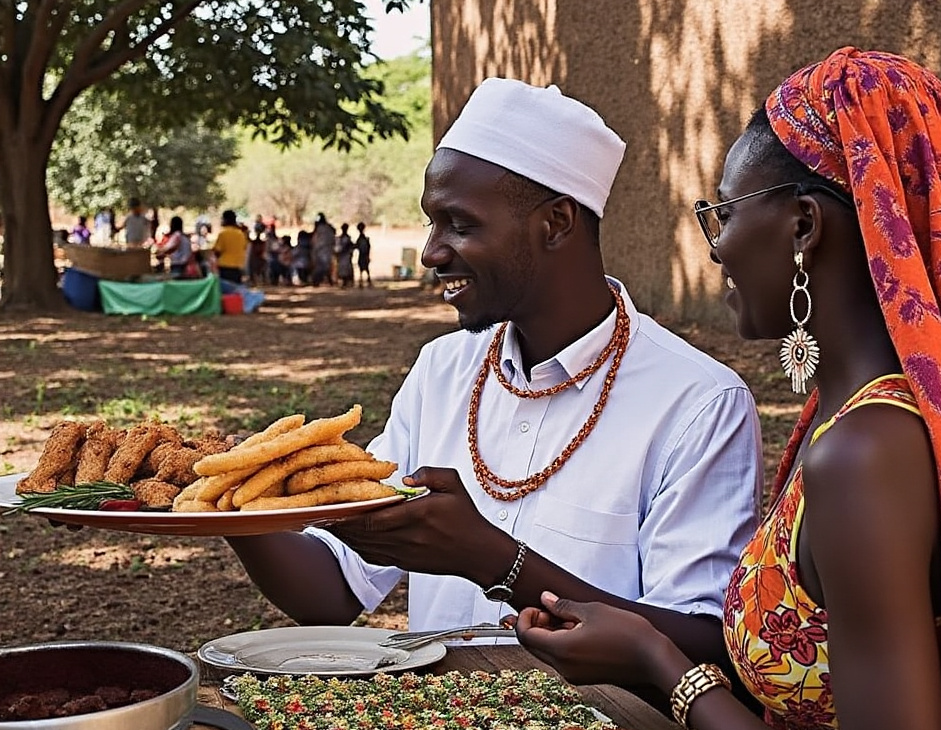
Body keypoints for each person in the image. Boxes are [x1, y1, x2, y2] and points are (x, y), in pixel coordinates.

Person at [512, 48, 941, 730]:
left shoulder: (864, 454)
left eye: (722, 213)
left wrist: (667, 669)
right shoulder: (857, 417)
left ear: (804, 228)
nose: (717, 249)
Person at [227, 78, 763, 679]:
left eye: (459, 224)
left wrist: (493, 560)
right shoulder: (441, 371)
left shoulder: (696, 403)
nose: (431, 252)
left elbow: (707, 643)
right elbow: (332, 591)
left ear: (556, 222)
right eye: (432, 224)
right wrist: (226, 505)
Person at [212, 209, 248, 284]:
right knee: (235, 291)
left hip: (225, 267)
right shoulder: (240, 234)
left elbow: (217, 251)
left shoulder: (223, 233)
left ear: (225, 219)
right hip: (238, 267)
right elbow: (244, 247)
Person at [311, 212, 337, 287]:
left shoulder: (319, 229)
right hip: (327, 249)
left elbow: (314, 239)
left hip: (320, 250)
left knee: (320, 266)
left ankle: (317, 281)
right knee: (326, 266)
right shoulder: (329, 228)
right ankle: (329, 281)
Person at [336, 223, 355, 287]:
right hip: (344, 255)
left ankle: (345, 281)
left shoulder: (345, 238)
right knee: (345, 268)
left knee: (345, 268)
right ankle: (345, 281)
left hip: (344, 255)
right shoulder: (344, 238)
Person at [354, 221, 372, 287]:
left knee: (362, 268)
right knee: (366, 268)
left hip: (362, 255)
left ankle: (362, 281)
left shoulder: (360, 239)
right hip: (364, 255)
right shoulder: (365, 239)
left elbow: (356, 246)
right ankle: (367, 280)